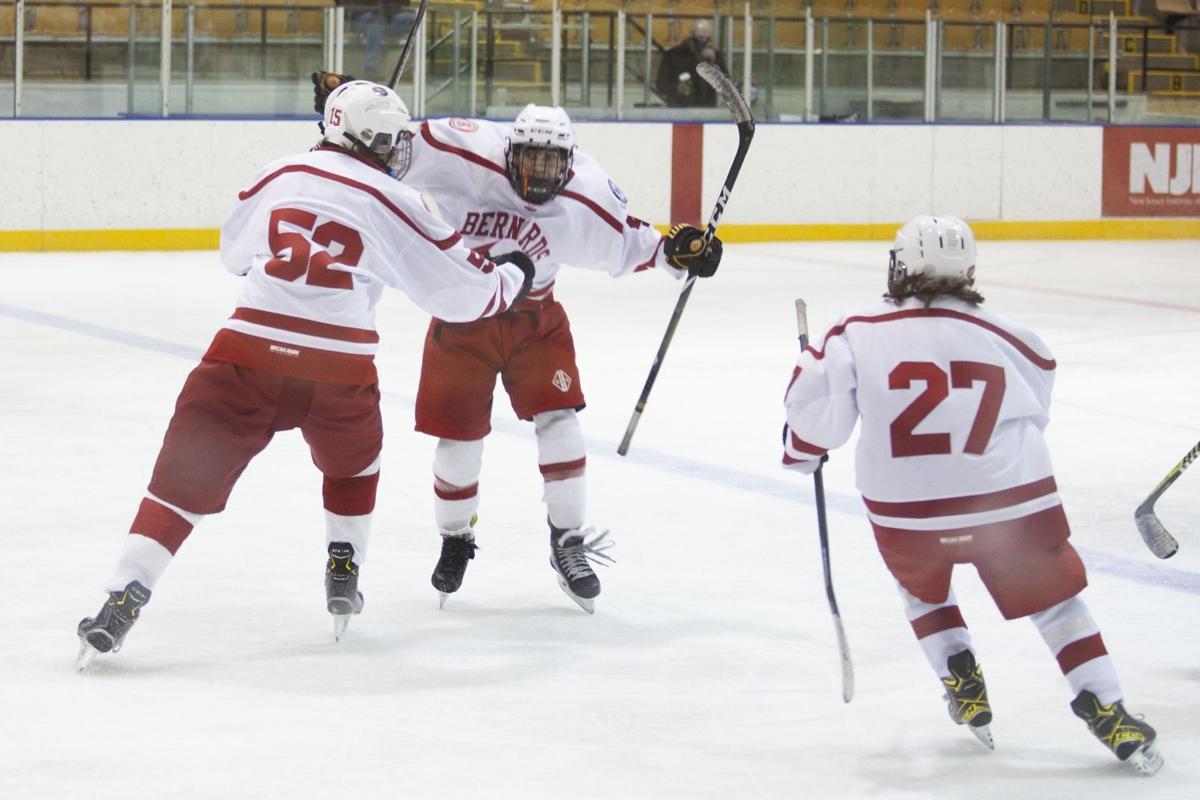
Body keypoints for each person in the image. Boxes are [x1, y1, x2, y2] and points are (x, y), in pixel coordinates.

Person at [75, 81, 535, 669]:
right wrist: (512, 272)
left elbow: (233, 255)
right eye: (392, 139)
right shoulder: (398, 200)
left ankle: (125, 591)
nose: (399, 151)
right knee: (355, 465)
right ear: (367, 137)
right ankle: (344, 563)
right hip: (336, 369)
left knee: (180, 482)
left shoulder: (276, 173)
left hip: (243, 357)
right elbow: (466, 296)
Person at [312, 74, 723, 613]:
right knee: (458, 446)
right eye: (532, 159)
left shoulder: (586, 192)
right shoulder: (463, 150)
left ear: (568, 163)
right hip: (464, 311)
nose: (542, 173)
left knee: (562, 425)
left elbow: (638, 243)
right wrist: (349, 108)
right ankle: (456, 538)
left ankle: (568, 542)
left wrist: (684, 252)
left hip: (535, 320)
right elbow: (387, 145)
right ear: (511, 150)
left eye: (554, 164)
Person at [780, 215, 1163, 775]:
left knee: (923, 591)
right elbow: (1037, 403)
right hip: (1008, 506)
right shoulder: (1012, 335)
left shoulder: (855, 328)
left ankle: (961, 679)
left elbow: (813, 414)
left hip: (907, 515)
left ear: (902, 265)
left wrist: (801, 452)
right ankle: (1107, 706)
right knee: (1056, 605)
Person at [654, 20, 728, 108]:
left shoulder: (714, 56)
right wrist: (677, 88)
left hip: (707, 109)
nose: (704, 41)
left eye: (707, 38)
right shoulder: (675, 55)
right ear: (692, 35)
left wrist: (715, 61)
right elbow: (661, 83)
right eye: (700, 38)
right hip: (679, 108)